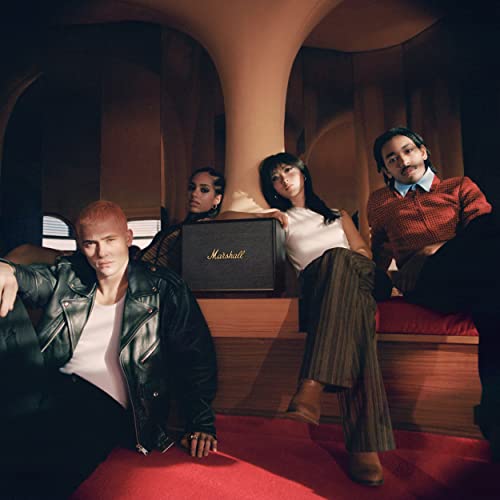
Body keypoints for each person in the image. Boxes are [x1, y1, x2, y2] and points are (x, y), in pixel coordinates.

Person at [0, 200, 218, 498]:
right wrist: (6, 269)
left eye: (110, 240)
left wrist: (201, 421)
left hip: (105, 403)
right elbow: (30, 279)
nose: (101, 253)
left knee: (48, 465)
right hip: (47, 388)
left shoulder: (164, 287)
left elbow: (195, 355)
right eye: (90, 244)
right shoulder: (68, 276)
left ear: (128, 238)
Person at [222, 152, 394, 487]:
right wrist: (264, 214)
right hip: (324, 288)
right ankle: (364, 445)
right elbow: (224, 218)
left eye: (288, 170)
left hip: (364, 276)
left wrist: (347, 261)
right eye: (275, 178)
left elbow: (363, 251)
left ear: (303, 172)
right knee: (355, 314)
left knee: (339, 258)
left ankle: (313, 384)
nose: (283, 179)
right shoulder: (280, 220)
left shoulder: (336, 215)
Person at [367, 126, 500, 460]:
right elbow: (378, 250)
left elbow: (483, 232)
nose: (403, 161)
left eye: (408, 150)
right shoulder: (381, 202)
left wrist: (431, 249)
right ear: (385, 169)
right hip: (427, 284)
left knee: (491, 296)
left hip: (473, 272)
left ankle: (494, 416)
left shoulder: (459, 186)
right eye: (391, 159)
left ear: (423, 152)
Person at [138, 166, 225, 272]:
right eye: (192, 187)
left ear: (217, 199)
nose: (194, 194)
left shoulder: (207, 229)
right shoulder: (177, 228)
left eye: (204, 190)